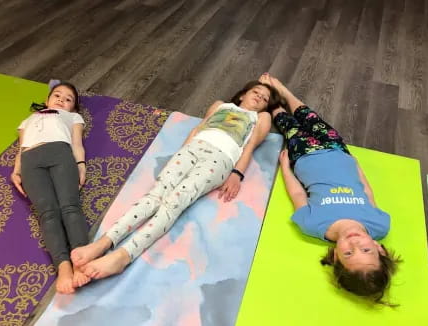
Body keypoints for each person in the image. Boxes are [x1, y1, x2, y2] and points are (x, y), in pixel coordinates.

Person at [70, 79, 282, 282]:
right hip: (194, 147)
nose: (259, 98)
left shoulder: (260, 118)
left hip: (220, 158)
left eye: (264, 99)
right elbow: (199, 129)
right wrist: (181, 154)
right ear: (243, 94)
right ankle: (104, 242)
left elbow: (250, 145)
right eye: (256, 92)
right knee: (155, 195)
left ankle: (123, 255)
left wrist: (237, 174)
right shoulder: (221, 105)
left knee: (174, 202)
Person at [260, 73, 401, 304]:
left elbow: (297, 194)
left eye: (348, 254)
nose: (355, 244)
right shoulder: (379, 225)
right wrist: (355, 163)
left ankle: (274, 100)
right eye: (366, 251)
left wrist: (285, 167)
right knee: (311, 117)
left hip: (304, 156)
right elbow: (367, 191)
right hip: (338, 151)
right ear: (380, 249)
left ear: (335, 257)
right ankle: (286, 93)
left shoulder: (314, 225)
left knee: (287, 123)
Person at [11, 81, 90, 294]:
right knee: (47, 214)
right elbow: (22, 147)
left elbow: (76, 143)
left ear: (73, 108)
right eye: (57, 95)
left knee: (70, 207)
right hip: (30, 160)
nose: (61, 100)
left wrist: (80, 165)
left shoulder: (72, 118)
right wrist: (16, 169)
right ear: (47, 100)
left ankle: (81, 262)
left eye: (68, 99)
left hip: (60, 154)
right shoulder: (28, 120)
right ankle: (63, 266)